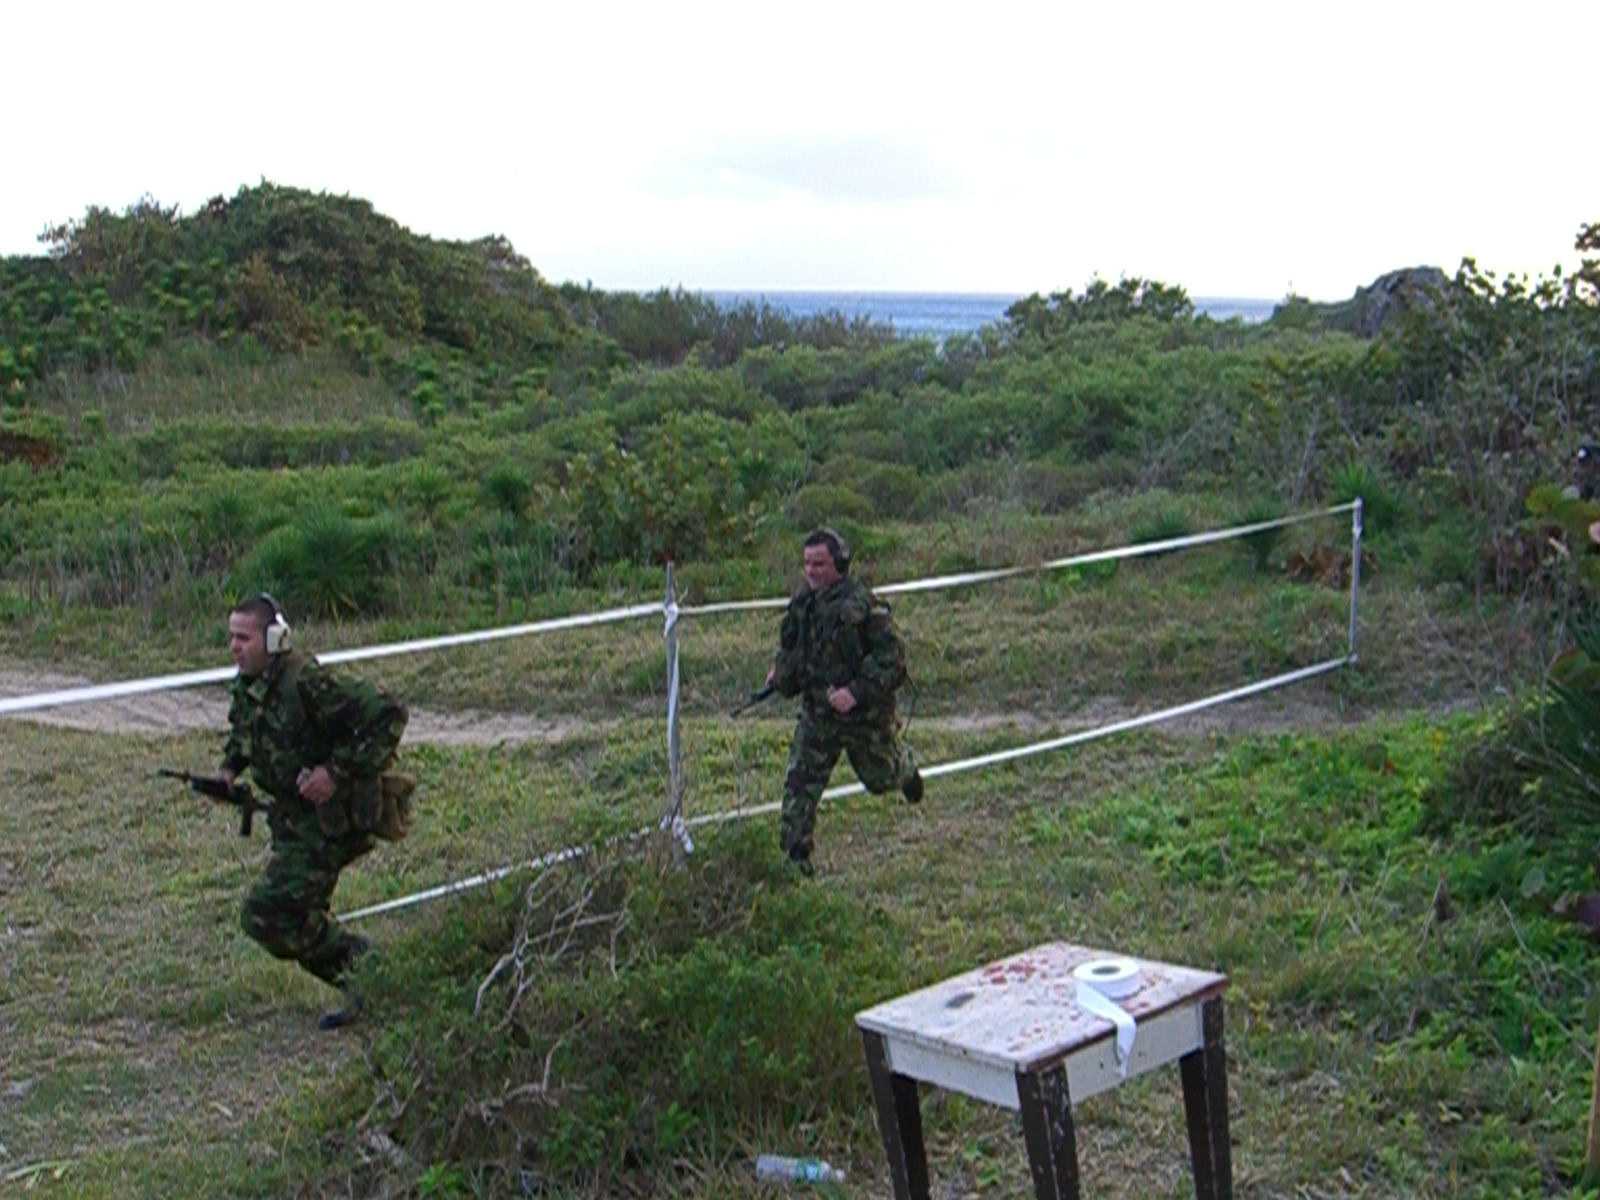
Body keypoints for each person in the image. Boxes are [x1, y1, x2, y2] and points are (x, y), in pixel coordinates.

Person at [218, 594, 408, 1029]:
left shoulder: (307, 682)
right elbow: (244, 733)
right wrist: (228, 771)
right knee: (292, 916)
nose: (234, 647)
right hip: (292, 822)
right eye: (231, 637)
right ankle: (369, 984)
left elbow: (389, 713)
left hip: (328, 821)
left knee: (269, 914)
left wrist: (334, 772)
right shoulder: (249, 685)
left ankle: (371, 971)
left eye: (244, 638)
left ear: (274, 638)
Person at [765, 528, 923, 875]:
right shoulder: (802, 605)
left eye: (820, 563)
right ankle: (796, 860)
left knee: (881, 778)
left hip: (863, 717)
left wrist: (855, 691)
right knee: (799, 787)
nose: (812, 571)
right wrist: (780, 674)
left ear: (839, 563)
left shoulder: (864, 605)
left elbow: (893, 658)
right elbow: (793, 649)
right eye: (807, 563)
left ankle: (906, 770)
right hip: (818, 716)